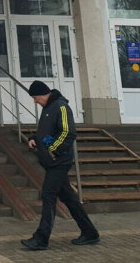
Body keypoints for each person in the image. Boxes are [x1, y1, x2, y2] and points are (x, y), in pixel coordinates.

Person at [20, 80, 99, 251]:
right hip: (53, 161)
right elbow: (46, 132)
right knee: (69, 198)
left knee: (48, 194)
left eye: (36, 98)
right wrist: (34, 138)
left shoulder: (61, 107)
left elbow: (68, 132)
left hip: (59, 161)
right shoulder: (48, 108)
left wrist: (53, 150)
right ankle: (90, 233)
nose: (35, 101)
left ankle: (41, 239)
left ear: (44, 94)